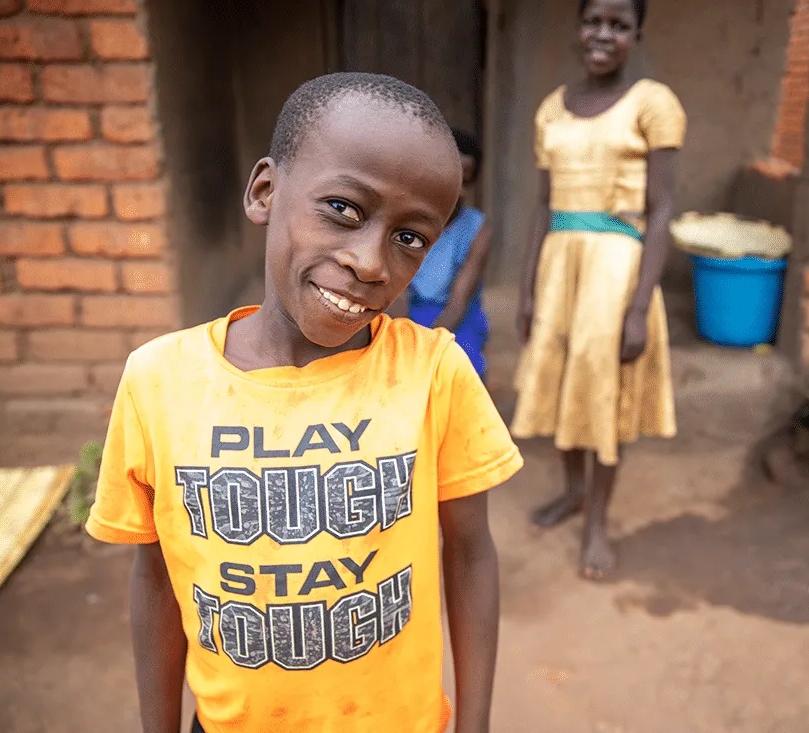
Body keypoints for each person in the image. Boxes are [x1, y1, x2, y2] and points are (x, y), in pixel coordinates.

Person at [85, 72, 523, 733]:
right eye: (344, 209)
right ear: (265, 191)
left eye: (410, 237)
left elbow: (469, 552)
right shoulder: (158, 382)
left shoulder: (435, 373)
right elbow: (156, 573)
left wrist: (476, 725)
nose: (372, 261)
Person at [512, 0, 683, 580]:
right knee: (562, 385)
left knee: (604, 394)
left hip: (616, 273)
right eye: (594, 22)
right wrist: (528, 290)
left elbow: (660, 212)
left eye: (619, 25)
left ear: (636, 35)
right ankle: (572, 491)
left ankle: (597, 521)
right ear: (577, 27)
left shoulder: (653, 104)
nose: (603, 34)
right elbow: (542, 205)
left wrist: (638, 308)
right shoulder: (550, 111)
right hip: (560, 267)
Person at [405, 129, 493, 380]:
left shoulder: (478, 228)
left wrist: (431, 347)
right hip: (407, 311)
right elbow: (397, 293)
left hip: (457, 319)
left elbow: (459, 301)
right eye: (452, 178)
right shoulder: (409, 218)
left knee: (462, 371)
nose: (457, 189)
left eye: (465, 181)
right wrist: (409, 342)